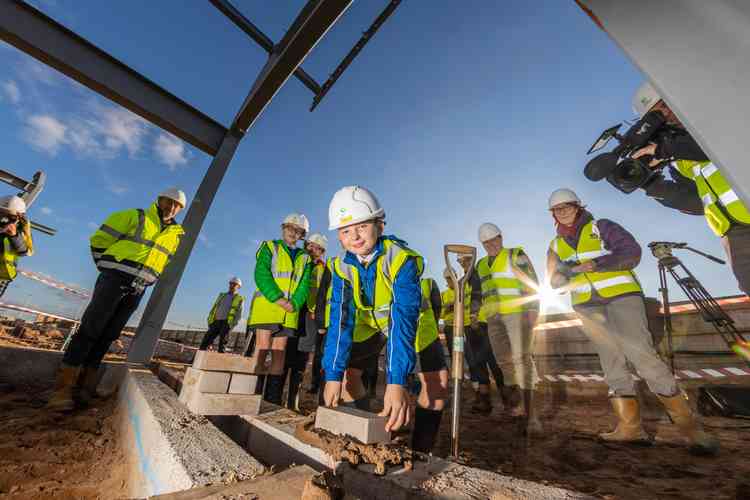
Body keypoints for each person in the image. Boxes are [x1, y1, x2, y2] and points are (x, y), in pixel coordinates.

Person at [547, 188, 718, 454]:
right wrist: (562, 274)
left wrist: (594, 265)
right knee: (611, 361)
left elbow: (631, 253)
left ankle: (690, 428)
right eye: (557, 209)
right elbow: (553, 280)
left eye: (567, 206)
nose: (563, 211)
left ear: (578, 206)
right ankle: (629, 428)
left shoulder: (601, 226)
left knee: (642, 356)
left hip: (621, 297)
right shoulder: (555, 245)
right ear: (553, 215)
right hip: (586, 304)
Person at [322, 185, 448, 453]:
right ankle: (371, 433)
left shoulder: (401, 259)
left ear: (379, 224)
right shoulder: (341, 267)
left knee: (437, 386)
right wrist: (332, 374)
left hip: (411, 322)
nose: (354, 236)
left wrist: (396, 381)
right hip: (370, 325)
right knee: (346, 378)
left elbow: (401, 320)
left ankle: (420, 453)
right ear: (339, 237)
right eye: (345, 231)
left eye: (362, 227)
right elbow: (340, 321)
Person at [48, 188, 187, 411]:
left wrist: (150, 278)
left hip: (138, 287)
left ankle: (85, 386)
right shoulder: (136, 216)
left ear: (180, 209)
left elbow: (165, 260)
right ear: (159, 200)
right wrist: (107, 268)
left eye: (176, 205)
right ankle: (62, 389)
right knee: (90, 329)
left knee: (108, 334)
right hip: (114, 279)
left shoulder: (176, 234)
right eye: (167, 201)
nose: (171, 207)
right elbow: (99, 240)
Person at [631, 81, 750, 296]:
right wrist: (651, 185)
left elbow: (721, 146)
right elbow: (695, 202)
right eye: (656, 114)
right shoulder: (677, 156)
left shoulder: (718, 119)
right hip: (734, 233)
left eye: (665, 105)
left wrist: (663, 150)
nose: (666, 114)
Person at [476, 223, 541, 433]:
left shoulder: (515, 254)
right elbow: (480, 293)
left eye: (494, 239)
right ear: (483, 244)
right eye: (487, 242)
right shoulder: (481, 264)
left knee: (522, 358)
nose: (491, 244)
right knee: (504, 361)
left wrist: (532, 310)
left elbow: (531, 282)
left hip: (516, 313)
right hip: (493, 318)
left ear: (501, 237)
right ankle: (519, 405)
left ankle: (532, 415)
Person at [247, 213, 312, 405]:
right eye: (290, 228)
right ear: (283, 228)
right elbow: (261, 274)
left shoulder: (304, 257)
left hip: (289, 312)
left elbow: (304, 285)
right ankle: (251, 392)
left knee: (279, 351)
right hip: (267, 307)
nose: (293, 232)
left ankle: (272, 398)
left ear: (302, 235)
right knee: (262, 348)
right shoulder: (269, 247)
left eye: (298, 230)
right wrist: (278, 298)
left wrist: (294, 303)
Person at [0, 195, 33, 298]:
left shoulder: (21, 229)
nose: (4, 218)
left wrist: (14, 236)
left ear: (18, 216)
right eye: (2, 213)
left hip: (2, 275)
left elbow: (23, 251)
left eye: (9, 215)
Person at [200, 277, 244, 353]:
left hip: (226, 323)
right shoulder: (222, 295)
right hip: (215, 321)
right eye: (231, 283)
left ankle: (219, 362)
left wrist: (232, 325)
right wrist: (210, 320)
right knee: (206, 341)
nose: (232, 285)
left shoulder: (239, 298)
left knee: (222, 344)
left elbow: (239, 314)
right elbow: (215, 307)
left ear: (238, 287)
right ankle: (196, 360)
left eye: (234, 284)